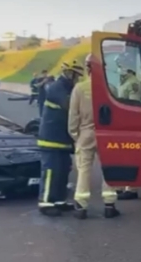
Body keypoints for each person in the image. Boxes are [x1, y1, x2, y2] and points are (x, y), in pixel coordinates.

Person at [68, 54, 120, 219]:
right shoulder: (111, 88)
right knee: (109, 170)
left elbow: (73, 116)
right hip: (107, 135)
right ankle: (109, 205)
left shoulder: (79, 88)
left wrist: (76, 136)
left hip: (86, 133)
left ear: (87, 68)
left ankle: (81, 206)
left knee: (84, 170)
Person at [37, 60, 84, 217]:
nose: (78, 79)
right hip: (51, 139)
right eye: (76, 75)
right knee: (51, 171)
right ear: (69, 73)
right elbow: (70, 106)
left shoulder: (67, 88)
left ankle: (59, 200)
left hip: (62, 139)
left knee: (63, 170)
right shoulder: (57, 88)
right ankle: (46, 202)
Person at [114, 52, 141, 200]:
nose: (118, 68)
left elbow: (133, 105)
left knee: (131, 156)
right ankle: (123, 186)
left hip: (130, 124)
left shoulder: (133, 83)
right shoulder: (124, 81)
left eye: (120, 65)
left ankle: (132, 189)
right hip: (123, 123)